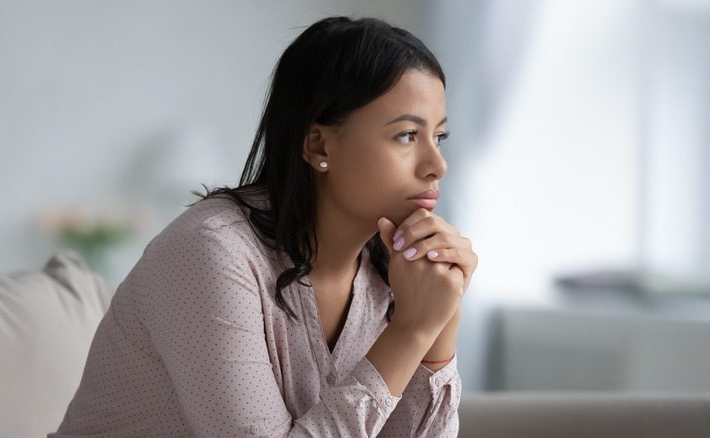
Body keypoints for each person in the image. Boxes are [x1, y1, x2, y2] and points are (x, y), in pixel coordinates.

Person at [50, 16, 477, 438]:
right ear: (318, 145)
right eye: (406, 135)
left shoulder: (393, 273)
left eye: (439, 137)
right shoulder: (209, 252)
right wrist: (412, 330)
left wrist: (442, 322)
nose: (437, 165)